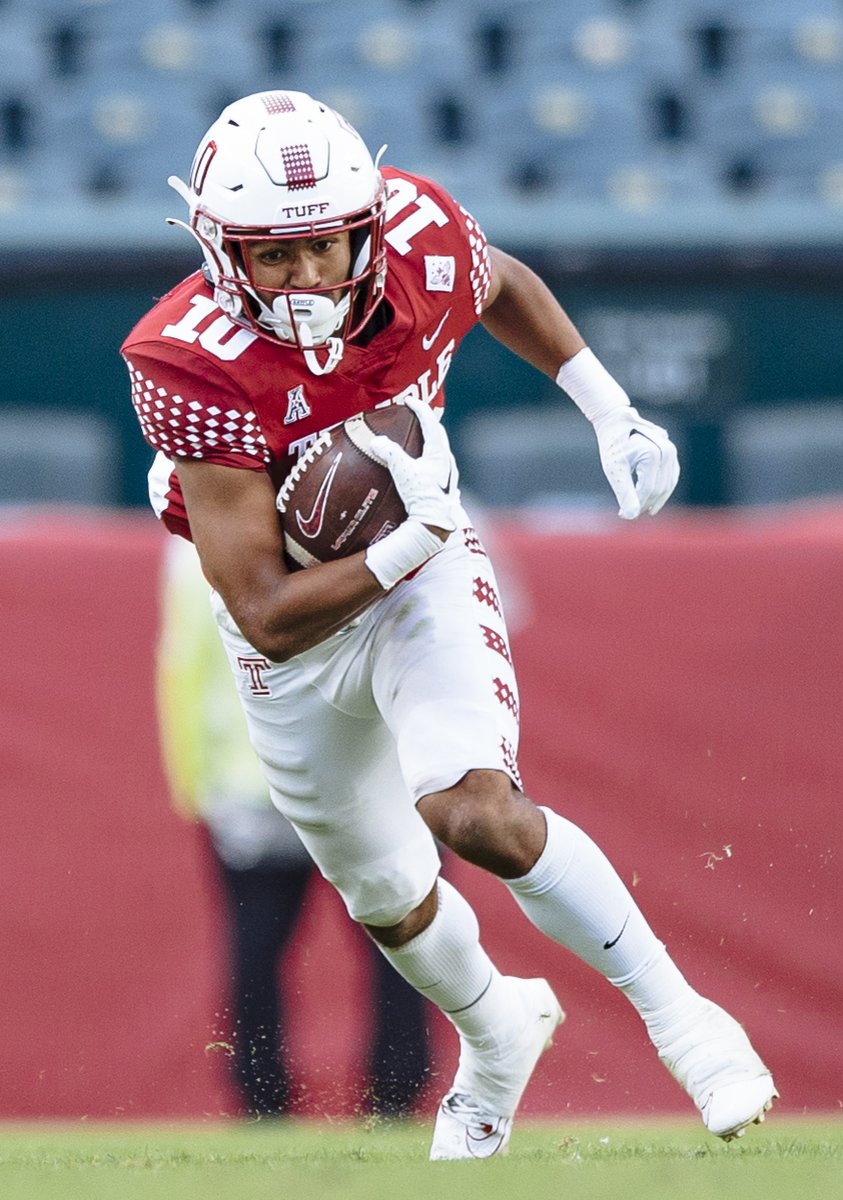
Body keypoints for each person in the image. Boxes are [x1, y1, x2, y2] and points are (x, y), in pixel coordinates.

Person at [122, 90, 776, 1159]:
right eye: (272, 255)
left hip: (419, 579)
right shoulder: (185, 360)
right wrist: (409, 535)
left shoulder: (419, 238)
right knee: (383, 892)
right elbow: (267, 613)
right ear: (219, 250)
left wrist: (607, 409)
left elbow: (497, 278)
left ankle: (684, 1021)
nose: (305, 278)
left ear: (367, 225)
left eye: (324, 246)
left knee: (473, 812)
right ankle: (496, 1030)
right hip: (297, 630)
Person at [156, 533, 431, 1118]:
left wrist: (195, 787)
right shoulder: (380, 523)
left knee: (257, 955)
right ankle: (396, 1102)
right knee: (405, 947)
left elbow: (182, 667)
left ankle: (265, 1106)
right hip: (368, 791)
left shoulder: (195, 545)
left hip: (256, 791)